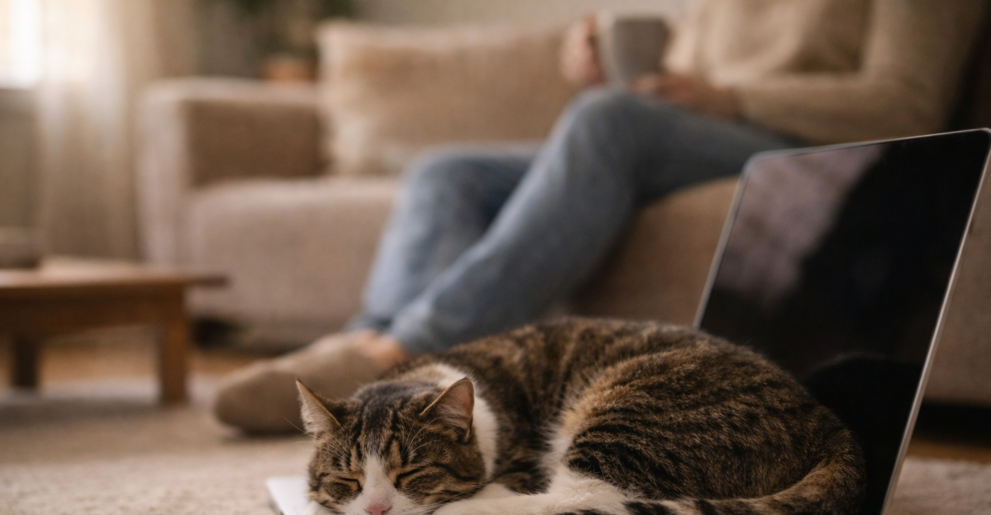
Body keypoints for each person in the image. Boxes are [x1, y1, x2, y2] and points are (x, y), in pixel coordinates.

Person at [214, 0, 986, 432]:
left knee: (609, 121)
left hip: (797, 140)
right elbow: (682, 81)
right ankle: (372, 337)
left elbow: (906, 101)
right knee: (446, 170)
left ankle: (394, 358)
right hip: (689, 133)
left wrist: (729, 98)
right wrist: (621, 67)